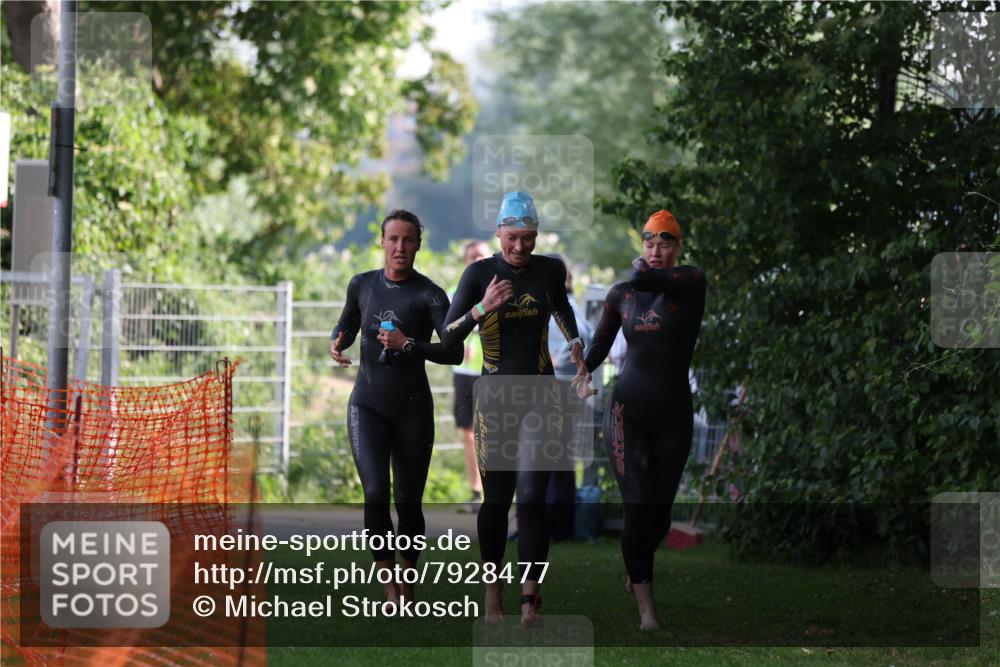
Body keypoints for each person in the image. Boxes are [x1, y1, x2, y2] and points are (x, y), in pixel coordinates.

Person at [441, 190, 585, 626]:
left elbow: (563, 313)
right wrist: (484, 307)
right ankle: (492, 596)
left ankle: (529, 601)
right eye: (512, 238)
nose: (520, 247)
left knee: (533, 497)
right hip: (495, 400)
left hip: (541, 396)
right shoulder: (478, 273)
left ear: (536, 235)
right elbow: (449, 336)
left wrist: (577, 347)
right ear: (498, 233)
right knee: (497, 500)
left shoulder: (549, 271)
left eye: (528, 238)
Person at [574, 209, 706, 630]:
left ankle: (638, 561)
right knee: (637, 505)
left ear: (677, 247)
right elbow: (601, 342)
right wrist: (584, 366)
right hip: (625, 411)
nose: (655, 251)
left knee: (660, 514)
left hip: (672, 412)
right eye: (649, 243)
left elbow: (649, 279)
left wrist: (639, 269)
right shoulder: (621, 295)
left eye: (664, 242)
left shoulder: (689, 282)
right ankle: (648, 609)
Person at [329, 209, 462, 604]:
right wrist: (337, 341)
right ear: (382, 242)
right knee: (374, 492)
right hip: (366, 404)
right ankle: (389, 584)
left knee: (408, 500)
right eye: (393, 239)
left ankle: (408, 574)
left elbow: (453, 352)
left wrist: (409, 345)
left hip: (412, 408)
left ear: (418, 244)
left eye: (408, 240)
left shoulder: (430, 295)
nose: (400, 247)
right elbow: (348, 324)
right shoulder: (362, 284)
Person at [451, 240, 492, 513]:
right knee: (468, 433)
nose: (476, 260)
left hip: (492, 371)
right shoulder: (457, 292)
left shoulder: (500, 291)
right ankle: (476, 492)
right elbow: (448, 328)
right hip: (464, 373)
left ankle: (496, 492)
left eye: (480, 256)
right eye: (471, 256)